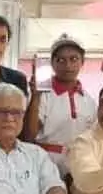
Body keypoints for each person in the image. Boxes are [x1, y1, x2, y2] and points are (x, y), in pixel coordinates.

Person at [27, 38, 97, 178]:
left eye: (74, 59)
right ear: (52, 63)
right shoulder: (42, 95)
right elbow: (28, 136)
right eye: (61, 60)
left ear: (82, 62)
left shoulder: (88, 100)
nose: (68, 65)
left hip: (79, 166)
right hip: (46, 163)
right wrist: (35, 97)